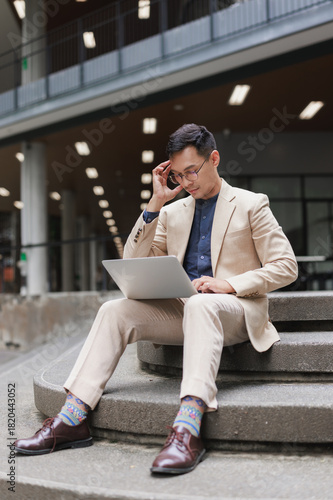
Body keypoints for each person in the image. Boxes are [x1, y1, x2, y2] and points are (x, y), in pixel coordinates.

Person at [14, 123, 298, 475]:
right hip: (186, 309)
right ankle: (72, 417)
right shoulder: (171, 212)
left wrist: (230, 284)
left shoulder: (251, 204)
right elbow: (134, 263)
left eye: (192, 171)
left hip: (235, 310)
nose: (187, 181)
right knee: (114, 310)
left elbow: (286, 266)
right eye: (178, 176)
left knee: (201, 303)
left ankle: (188, 428)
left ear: (215, 158)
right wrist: (156, 203)